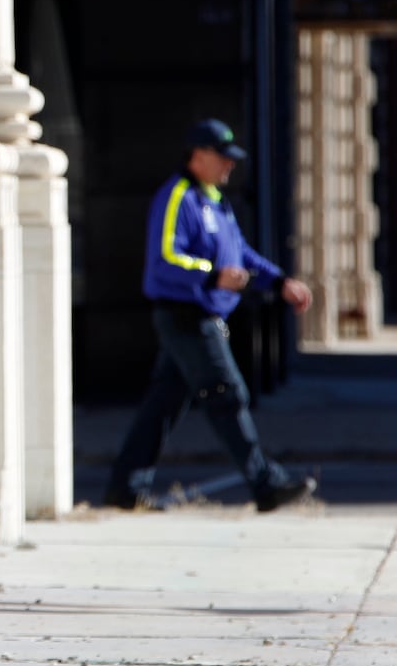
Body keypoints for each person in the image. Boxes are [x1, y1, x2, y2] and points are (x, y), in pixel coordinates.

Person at [103, 118, 318, 513]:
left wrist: (277, 281)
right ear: (198, 156)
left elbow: (240, 254)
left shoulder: (216, 201)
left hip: (202, 314)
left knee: (163, 404)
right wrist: (211, 274)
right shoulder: (178, 196)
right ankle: (265, 484)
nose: (229, 166)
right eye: (222, 158)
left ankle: (126, 487)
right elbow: (165, 257)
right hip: (186, 314)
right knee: (227, 393)